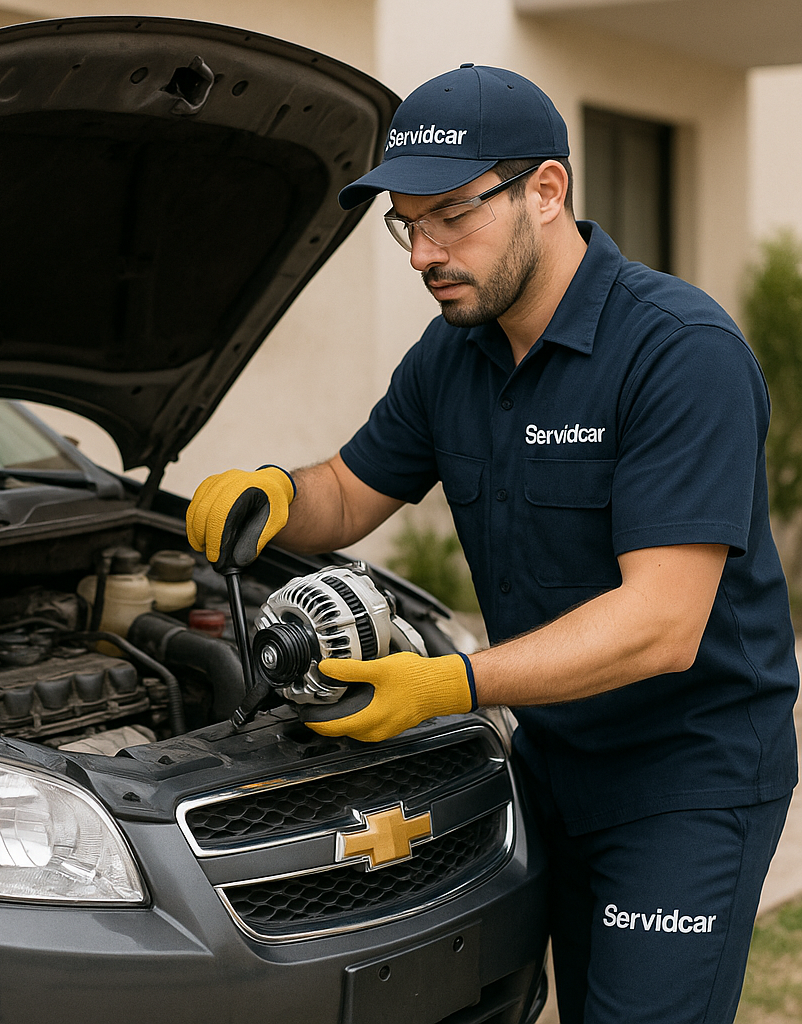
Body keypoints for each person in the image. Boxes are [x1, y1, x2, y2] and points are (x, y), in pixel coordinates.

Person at [185, 65, 798, 1024]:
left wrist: (449, 683)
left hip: (686, 773)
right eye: (406, 223)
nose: (424, 251)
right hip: (545, 758)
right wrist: (270, 493)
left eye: (451, 217)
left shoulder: (681, 353)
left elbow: (663, 624)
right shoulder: (453, 354)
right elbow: (347, 493)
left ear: (546, 191)